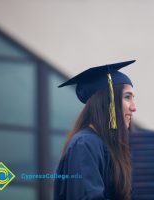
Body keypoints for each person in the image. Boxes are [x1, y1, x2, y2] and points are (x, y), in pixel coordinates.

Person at [54, 60, 137, 200]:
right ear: (108, 101)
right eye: (127, 97)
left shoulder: (115, 148)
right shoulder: (85, 144)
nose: (134, 107)